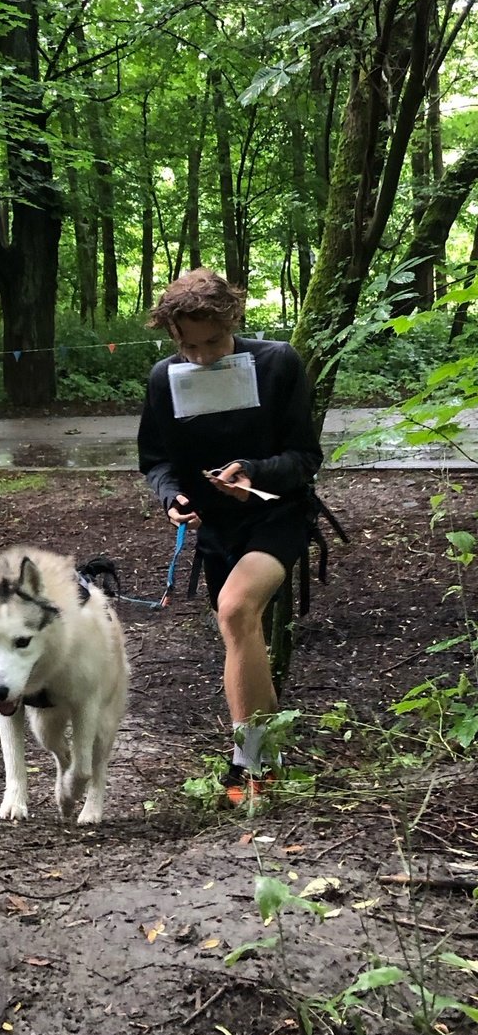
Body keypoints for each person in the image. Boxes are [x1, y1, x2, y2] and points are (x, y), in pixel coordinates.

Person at [137, 269, 322, 804]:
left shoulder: (277, 362)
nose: (201, 358)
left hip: (277, 515)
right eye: (188, 347)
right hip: (216, 528)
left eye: (213, 343)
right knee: (239, 626)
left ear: (234, 320)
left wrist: (254, 472)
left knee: (237, 608)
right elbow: (156, 460)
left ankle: (250, 765)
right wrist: (173, 498)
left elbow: (304, 457)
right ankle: (265, 759)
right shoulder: (163, 378)